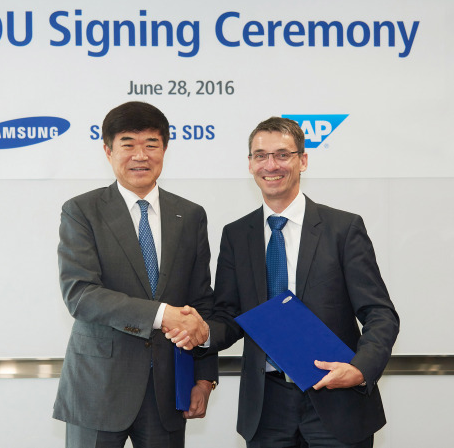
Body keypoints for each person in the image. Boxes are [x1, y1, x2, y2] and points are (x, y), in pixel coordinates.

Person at [167, 117, 399, 447]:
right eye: (260, 155)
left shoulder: (342, 229)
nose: (271, 165)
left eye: (282, 154)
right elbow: (228, 316)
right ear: (250, 164)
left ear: (302, 160)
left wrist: (360, 369)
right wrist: (202, 333)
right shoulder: (236, 235)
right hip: (266, 407)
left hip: (337, 400)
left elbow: (380, 314)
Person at [53, 101, 218, 448]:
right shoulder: (81, 211)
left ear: (165, 149)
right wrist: (161, 315)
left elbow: (201, 302)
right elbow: (81, 294)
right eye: (128, 144)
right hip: (98, 387)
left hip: (168, 389)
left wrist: (204, 378)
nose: (140, 155)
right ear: (108, 150)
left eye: (151, 144)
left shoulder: (190, 216)